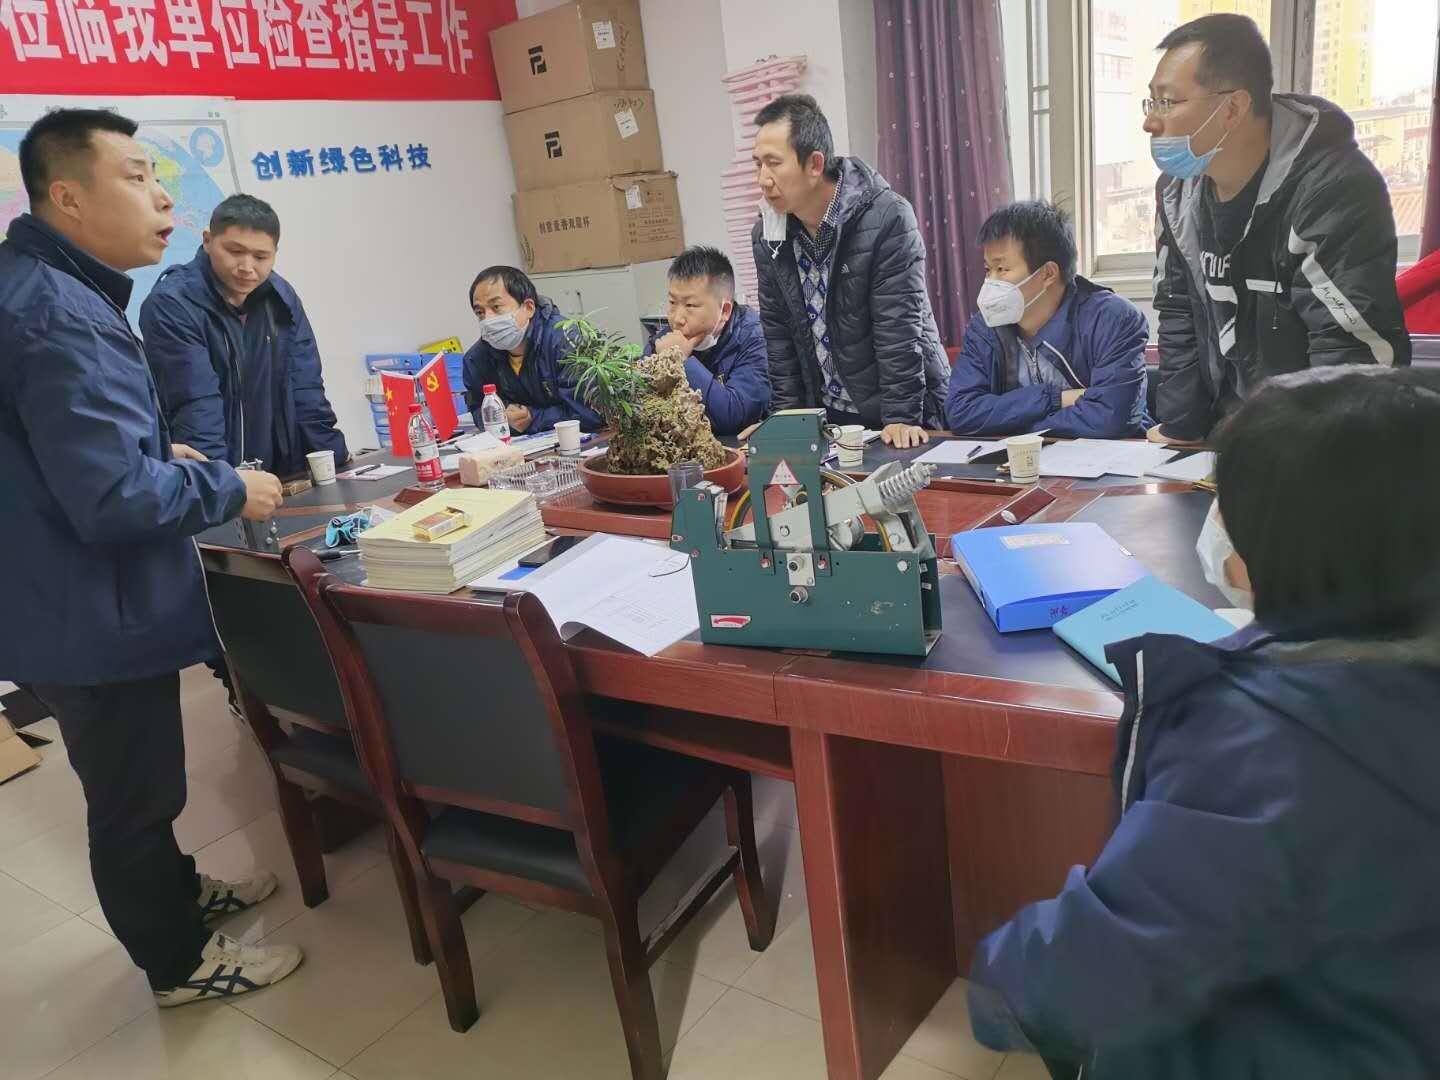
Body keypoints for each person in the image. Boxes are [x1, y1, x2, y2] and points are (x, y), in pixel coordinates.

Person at [968, 365, 1440, 1079]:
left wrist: (998, 983)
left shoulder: (1262, 751)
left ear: (1279, 550)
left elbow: (1087, 972)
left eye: (1226, 501)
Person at [0, 110, 303, 1005]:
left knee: (141, 785)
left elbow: (57, 454)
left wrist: (150, 454)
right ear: (68, 197)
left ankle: (178, 897)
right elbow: (111, 501)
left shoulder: (45, 287)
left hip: (62, 595)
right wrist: (226, 487)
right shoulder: (58, 313)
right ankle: (179, 965)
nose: (164, 198)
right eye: (136, 177)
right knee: (133, 800)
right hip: (89, 610)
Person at [1145, 13, 1410, 445]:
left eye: (1167, 102)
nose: (1151, 122)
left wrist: (1304, 464)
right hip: (1230, 443)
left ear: (1232, 108)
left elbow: (1349, 355)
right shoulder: (1176, 193)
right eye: (1151, 103)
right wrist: (1181, 431)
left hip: (1309, 449)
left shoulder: (1331, 188)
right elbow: (1178, 311)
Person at [750, 94, 951, 448]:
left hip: (902, 412)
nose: (763, 179)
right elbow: (779, 337)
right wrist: (785, 424)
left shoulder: (887, 217)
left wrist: (901, 418)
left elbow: (897, 327)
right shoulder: (768, 234)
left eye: (774, 163)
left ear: (815, 164)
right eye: (758, 164)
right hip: (831, 419)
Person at [139, 194, 348, 477]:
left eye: (261, 257)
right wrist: (221, 487)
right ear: (207, 240)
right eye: (235, 251)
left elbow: (306, 388)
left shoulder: (280, 298)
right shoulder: (173, 304)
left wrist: (336, 462)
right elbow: (195, 407)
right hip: (223, 478)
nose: (247, 267)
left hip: (284, 474)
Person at [946, 201, 1149, 438]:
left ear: (1047, 274)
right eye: (987, 270)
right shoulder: (986, 326)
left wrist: (1015, 425)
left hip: (1110, 456)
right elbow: (960, 412)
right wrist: (1055, 399)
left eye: (1001, 269)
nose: (990, 282)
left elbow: (1112, 418)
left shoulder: (1112, 319)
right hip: (1022, 459)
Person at [644, 245, 771, 436]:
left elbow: (735, 418)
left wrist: (682, 360)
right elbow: (638, 405)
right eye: (672, 302)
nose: (677, 319)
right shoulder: (666, 339)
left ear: (724, 311)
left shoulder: (753, 336)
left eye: (690, 305)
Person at [461, 264, 602, 434]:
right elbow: (479, 411)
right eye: (480, 312)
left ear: (528, 307)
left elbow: (590, 413)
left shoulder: (566, 340)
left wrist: (533, 418)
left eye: (496, 307)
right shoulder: (476, 359)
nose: (487, 319)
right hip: (520, 446)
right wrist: (504, 419)